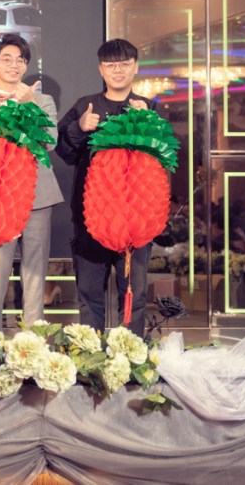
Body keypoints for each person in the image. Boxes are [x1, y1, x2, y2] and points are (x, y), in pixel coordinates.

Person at [56, 38, 157, 335]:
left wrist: (147, 124)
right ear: (101, 69)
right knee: (89, 296)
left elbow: (166, 158)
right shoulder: (85, 106)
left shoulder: (149, 108)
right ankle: (91, 355)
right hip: (91, 218)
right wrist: (80, 127)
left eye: (125, 64)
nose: (118, 70)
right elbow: (64, 152)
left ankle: (131, 355)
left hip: (135, 220)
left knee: (135, 296)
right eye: (111, 65)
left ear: (135, 68)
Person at [0, 34, 62, 330]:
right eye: (6, 59)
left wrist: (30, 106)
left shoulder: (42, 101)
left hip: (37, 197)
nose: (14, 64)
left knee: (34, 273)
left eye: (20, 60)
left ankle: (33, 342)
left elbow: (50, 142)